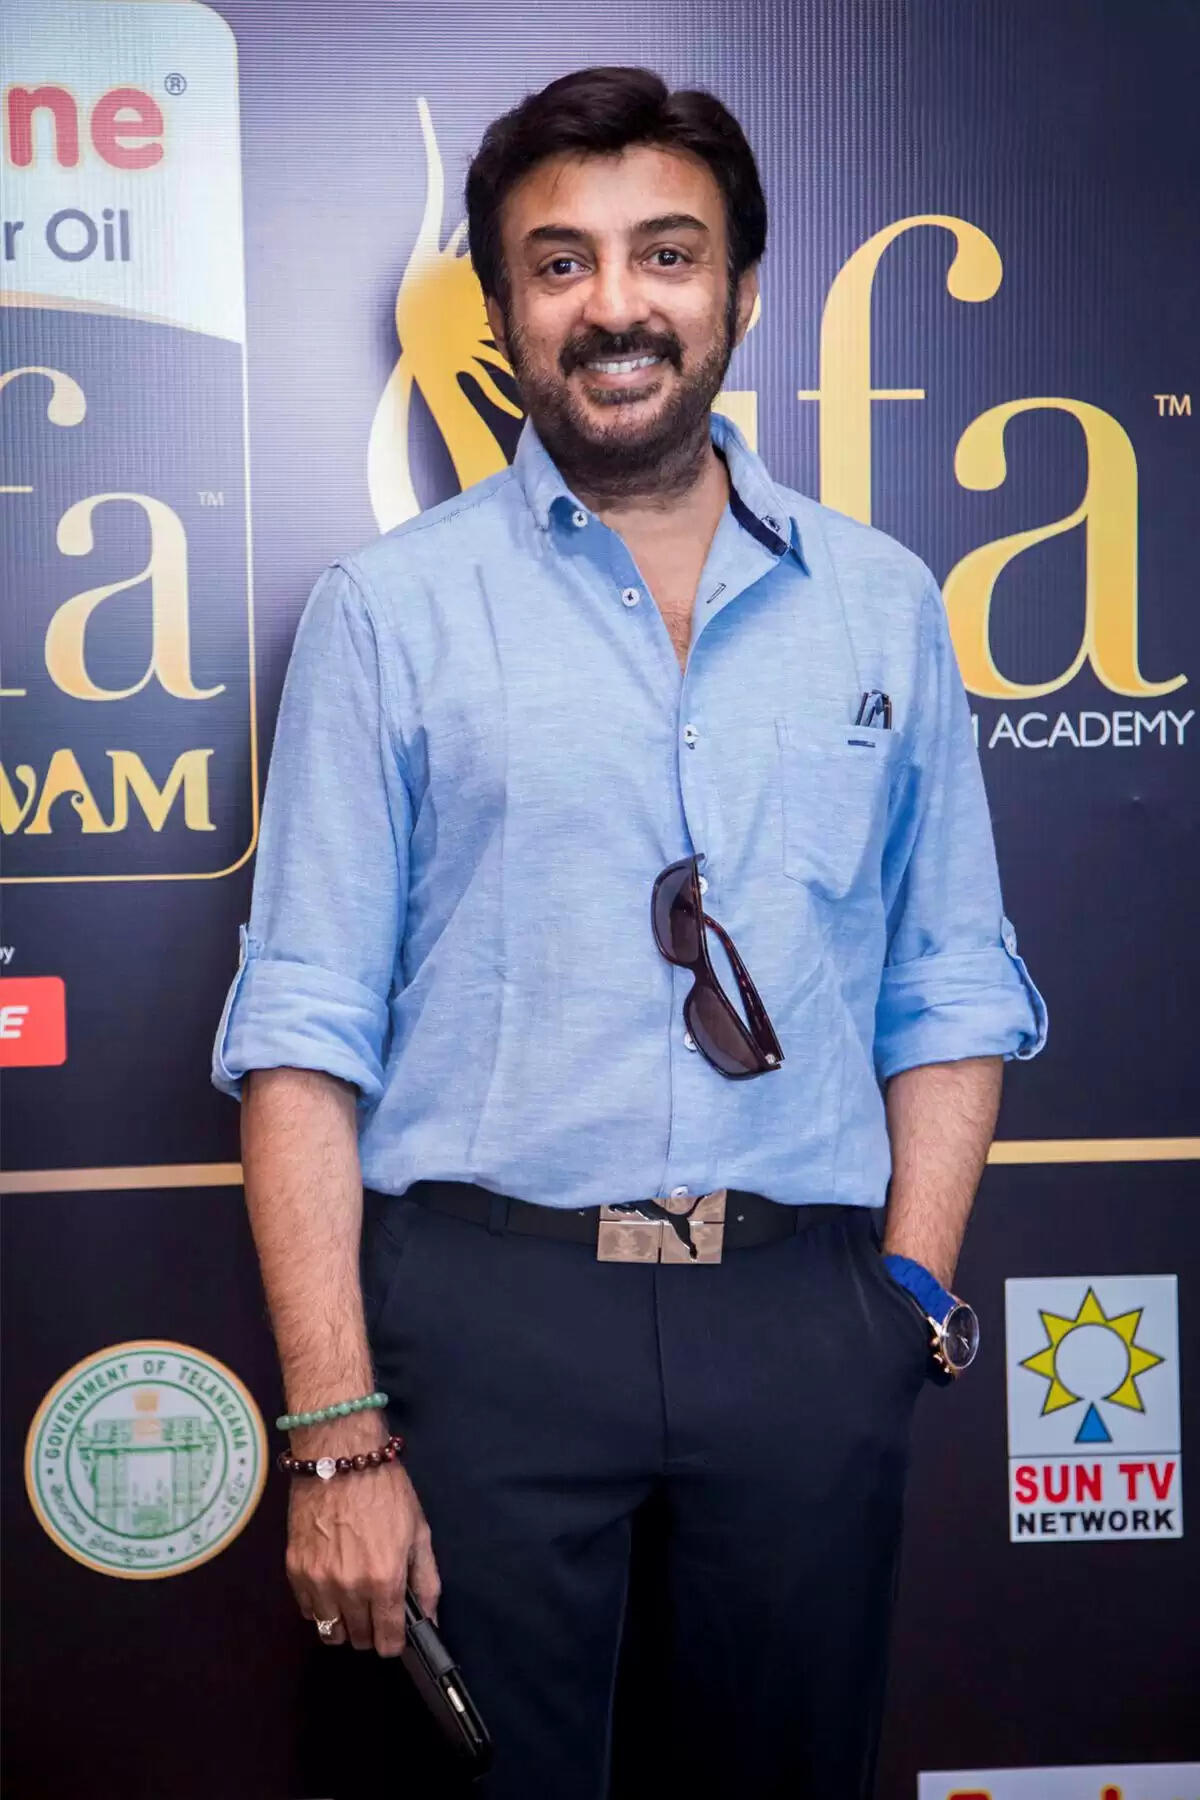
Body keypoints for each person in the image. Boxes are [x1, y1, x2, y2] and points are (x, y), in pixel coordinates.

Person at [212, 65, 1046, 1800]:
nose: (615, 305)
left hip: (804, 1318)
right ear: (503, 311)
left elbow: (950, 978)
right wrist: (336, 1432)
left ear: (741, 294)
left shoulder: (884, 600)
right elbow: (300, 1032)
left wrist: (900, 1294)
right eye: (560, 262)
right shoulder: (389, 612)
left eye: (666, 255)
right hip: (484, 1326)